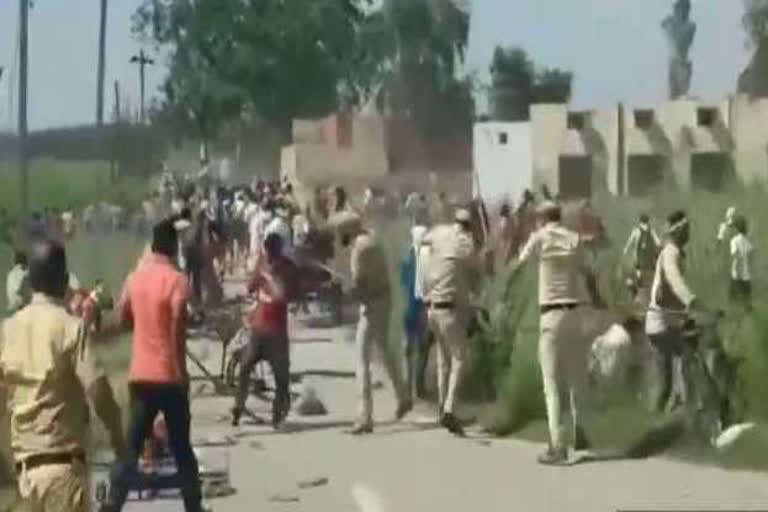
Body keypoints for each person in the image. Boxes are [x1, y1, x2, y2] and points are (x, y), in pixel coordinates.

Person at [1, 239, 127, 511]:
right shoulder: (70, 328)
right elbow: (98, 391)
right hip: (63, 472)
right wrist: (119, 440)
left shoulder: (6, 332)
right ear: (62, 279)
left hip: (26, 476)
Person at [99, 220, 208, 512]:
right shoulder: (177, 280)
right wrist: (182, 373)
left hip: (140, 377)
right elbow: (177, 330)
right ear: (173, 247)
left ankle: (113, 503)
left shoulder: (135, 278)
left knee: (131, 448)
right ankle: (193, 507)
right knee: (182, 448)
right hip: (168, 377)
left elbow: (122, 320)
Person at [511, 201, 610, 464]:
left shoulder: (539, 238)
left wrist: (506, 290)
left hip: (551, 317)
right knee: (577, 378)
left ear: (542, 218)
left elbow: (518, 265)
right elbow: (585, 272)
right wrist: (599, 300)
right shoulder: (573, 239)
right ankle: (582, 432)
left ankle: (558, 445)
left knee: (552, 385)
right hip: (574, 314)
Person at [331, 212, 411, 434]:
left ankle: (364, 416)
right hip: (384, 302)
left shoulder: (359, 249)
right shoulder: (373, 240)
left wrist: (343, 285)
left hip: (372, 307)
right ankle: (403, 396)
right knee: (385, 351)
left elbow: (358, 285)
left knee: (362, 359)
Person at [421, 208, 481, 436]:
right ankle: (449, 410)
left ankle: (441, 407)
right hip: (450, 310)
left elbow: (423, 245)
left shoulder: (439, 232)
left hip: (431, 308)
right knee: (460, 358)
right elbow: (475, 274)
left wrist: (426, 285)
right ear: (470, 225)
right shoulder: (466, 243)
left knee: (442, 359)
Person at [232, 233, 299, 428]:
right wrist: (258, 275)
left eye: (271, 250)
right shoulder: (266, 266)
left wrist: (268, 277)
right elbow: (250, 287)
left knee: (280, 377)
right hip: (261, 330)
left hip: (273, 331)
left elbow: (289, 295)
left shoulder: (287, 268)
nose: (269, 254)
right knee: (246, 369)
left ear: (278, 250)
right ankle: (238, 408)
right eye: (267, 250)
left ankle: (276, 415)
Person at [645, 210, 697, 414]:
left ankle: (678, 404)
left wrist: (688, 311)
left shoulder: (676, 252)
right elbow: (676, 283)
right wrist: (692, 302)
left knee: (682, 362)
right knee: (669, 378)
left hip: (669, 321)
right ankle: (672, 411)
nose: (689, 233)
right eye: (687, 230)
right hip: (661, 325)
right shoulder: (670, 253)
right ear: (679, 232)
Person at [400, 225, 429, 400]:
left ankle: (409, 387)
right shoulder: (427, 257)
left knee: (409, 348)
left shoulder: (405, 257)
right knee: (421, 347)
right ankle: (418, 386)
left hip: (408, 306)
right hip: (420, 307)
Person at [621, 214, 661, 305]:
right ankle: (652, 295)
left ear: (640, 221)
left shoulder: (636, 231)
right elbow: (658, 242)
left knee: (637, 275)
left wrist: (625, 251)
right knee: (651, 275)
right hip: (649, 258)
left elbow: (630, 242)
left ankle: (638, 295)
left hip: (639, 257)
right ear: (648, 221)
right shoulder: (651, 231)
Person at [729, 215, 753, 309]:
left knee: (733, 302)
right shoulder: (747, 241)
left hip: (737, 275)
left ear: (736, 228)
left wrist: (737, 274)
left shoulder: (734, 241)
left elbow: (735, 256)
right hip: (746, 276)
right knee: (746, 302)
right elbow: (750, 256)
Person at [5, 249, 30, 314]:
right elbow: (21, 290)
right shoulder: (23, 271)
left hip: (15, 305)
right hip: (22, 305)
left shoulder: (12, 273)